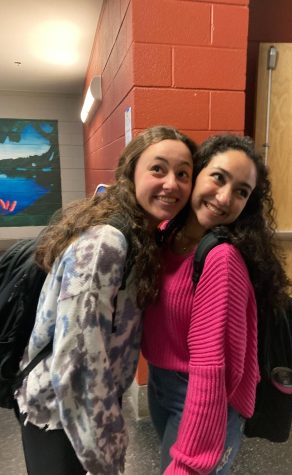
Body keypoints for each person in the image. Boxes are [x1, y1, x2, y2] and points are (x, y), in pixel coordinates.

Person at [14, 125, 197, 475]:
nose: (171, 183)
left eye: (183, 174)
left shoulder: (136, 232)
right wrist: (107, 453)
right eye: (158, 169)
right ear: (131, 173)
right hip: (60, 415)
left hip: (76, 413)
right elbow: (76, 363)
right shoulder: (107, 242)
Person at [142, 134, 291, 474]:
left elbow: (212, 370)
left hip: (203, 399)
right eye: (218, 178)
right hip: (160, 383)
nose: (225, 198)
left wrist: (190, 463)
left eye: (241, 191)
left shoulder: (221, 259)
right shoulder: (165, 234)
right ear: (195, 174)